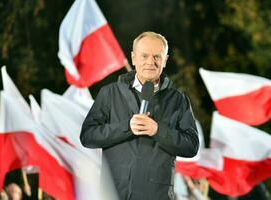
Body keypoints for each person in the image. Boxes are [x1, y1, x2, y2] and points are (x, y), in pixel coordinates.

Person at [80, 31, 199, 200]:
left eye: (157, 56)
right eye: (144, 56)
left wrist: (158, 130)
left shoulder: (178, 100)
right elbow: (88, 136)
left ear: (165, 60)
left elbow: (191, 146)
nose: (151, 62)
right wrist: (126, 127)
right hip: (114, 194)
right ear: (133, 58)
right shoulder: (110, 93)